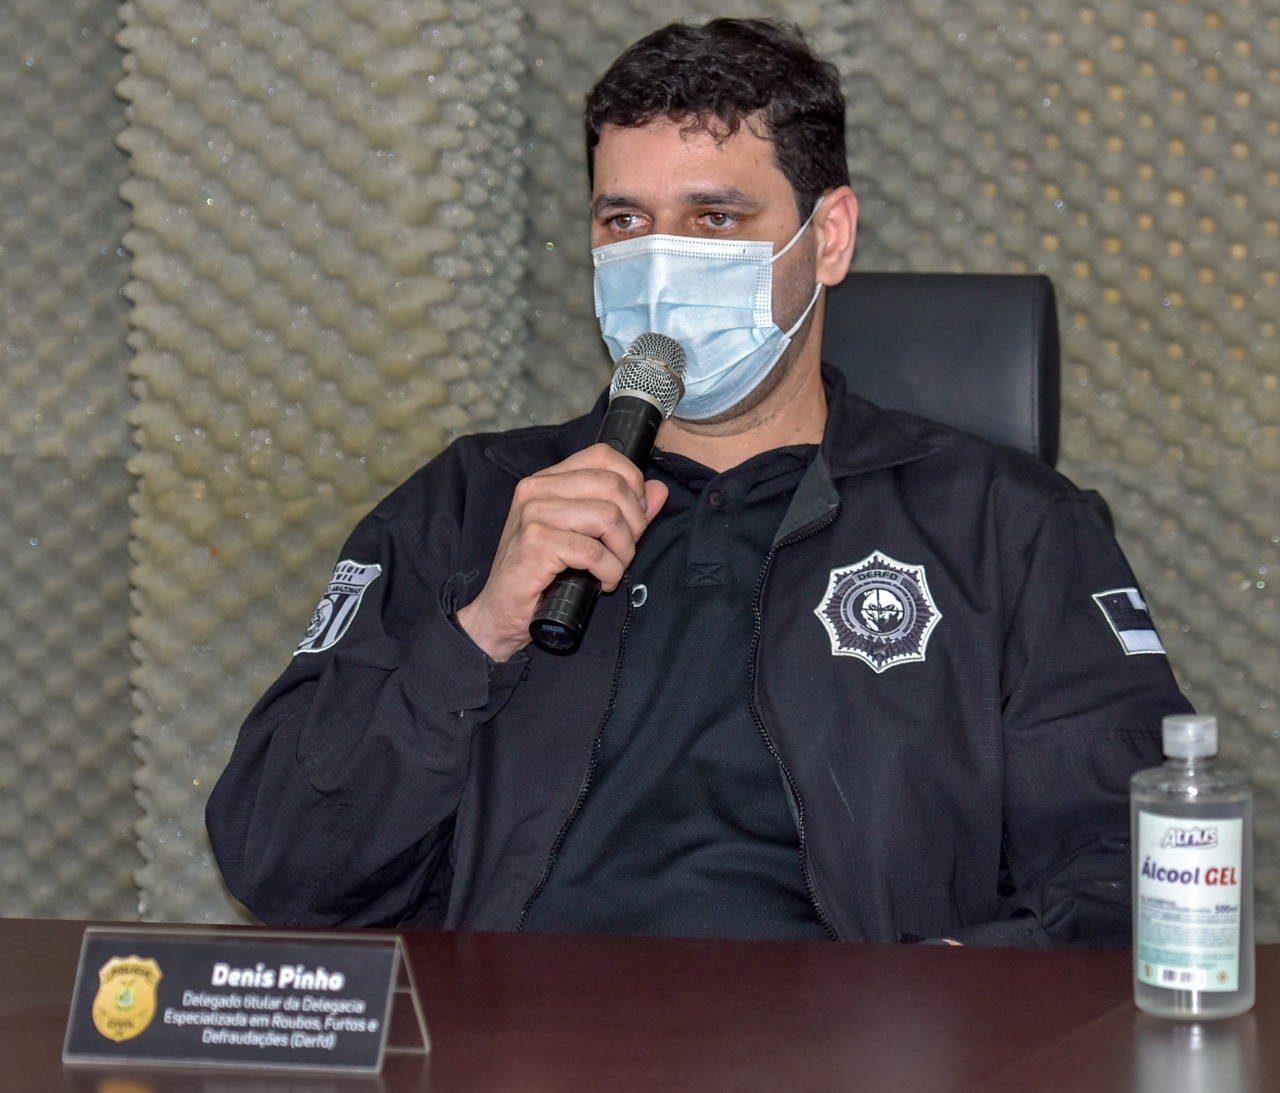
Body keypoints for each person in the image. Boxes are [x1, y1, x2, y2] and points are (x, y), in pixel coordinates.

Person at [206, 17, 1191, 945]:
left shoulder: (1006, 529)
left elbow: (1133, 872)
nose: (660, 264)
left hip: (856, 1036)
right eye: (624, 220)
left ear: (829, 236)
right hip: (526, 1034)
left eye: (714, 218)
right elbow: (281, 865)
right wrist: (476, 635)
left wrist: (940, 993)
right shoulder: (468, 504)